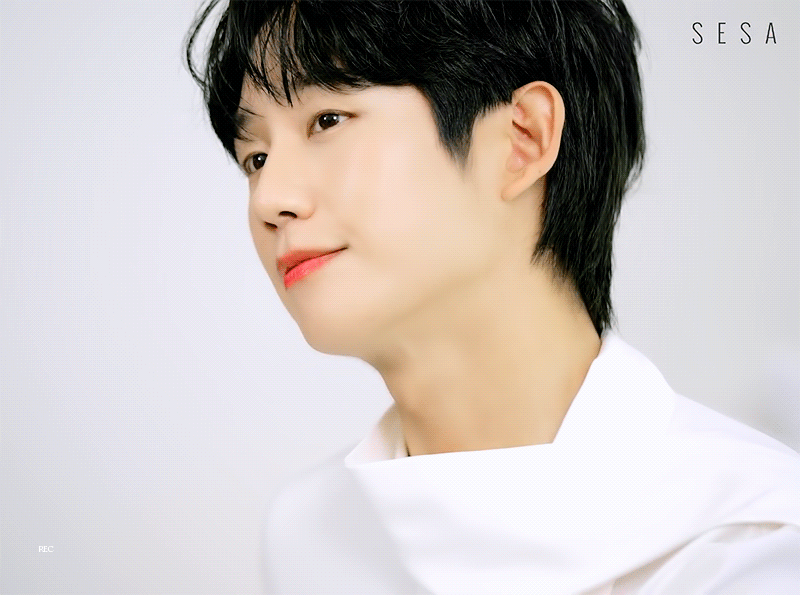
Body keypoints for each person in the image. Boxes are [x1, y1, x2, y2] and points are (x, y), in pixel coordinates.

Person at [184, 1, 800, 593]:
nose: (269, 198)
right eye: (255, 158)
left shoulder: (751, 543)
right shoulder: (307, 537)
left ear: (522, 138)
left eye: (327, 121)